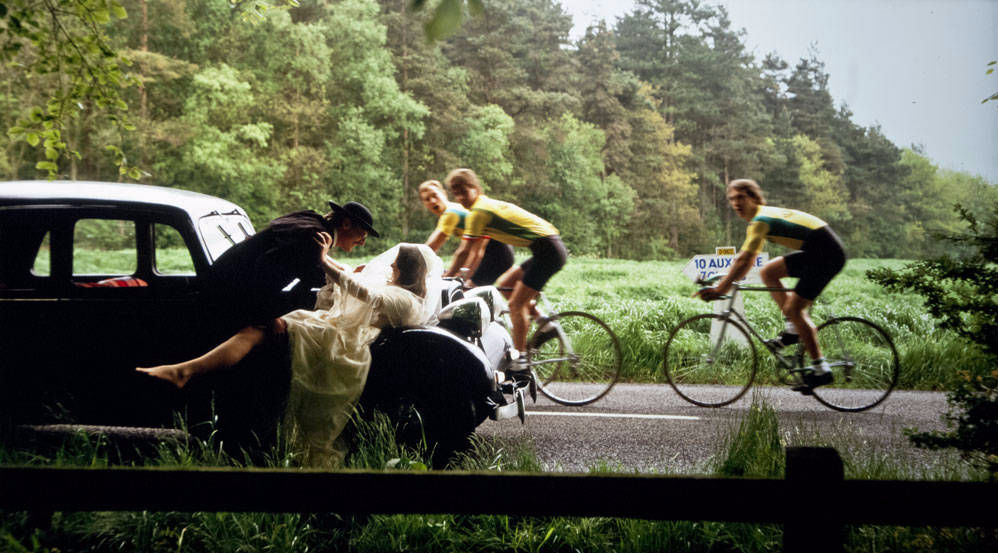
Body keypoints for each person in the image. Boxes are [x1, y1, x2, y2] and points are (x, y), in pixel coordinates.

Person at [138, 237, 443, 467]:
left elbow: (362, 290)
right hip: (338, 332)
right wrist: (333, 262)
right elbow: (355, 279)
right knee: (263, 329)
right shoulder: (402, 293)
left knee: (259, 330)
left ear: (406, 271)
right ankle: (190, 373)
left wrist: (323, 259)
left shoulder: (406, 301)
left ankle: (186, 371)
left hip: (345, 344)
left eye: (396, 265)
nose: (390, 267)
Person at [696, 179, 847, 389]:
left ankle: (820, 369)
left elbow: (744, 260)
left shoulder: (760, 220)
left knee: (795, 309)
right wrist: (722, 280)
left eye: (741, 197)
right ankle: (793, 329)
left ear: (754, 198)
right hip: (817, 250)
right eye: (732, 199)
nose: (736, 203)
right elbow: (745, 263)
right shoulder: (761, 217)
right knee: (768, 271)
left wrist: (721, 288)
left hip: (826, 255)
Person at [443, 168, 567, 370]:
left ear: (475, 187)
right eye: (455, 193)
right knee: (506, 285)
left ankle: (520, 361)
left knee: (517, 305)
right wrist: (461, 274)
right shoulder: (485, 205)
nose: (460, 197)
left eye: (463, 191)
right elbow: (475, 252)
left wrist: (448, 277)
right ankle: (545, 323)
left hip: (548, 250)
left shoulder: (478, 212)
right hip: (546, 247)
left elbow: (464, 252)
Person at [208, 200, 379, 322]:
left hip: (224, 277)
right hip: (227, 293)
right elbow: (264, 275)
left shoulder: (314, 224)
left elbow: (318, 262)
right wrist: (269, 319)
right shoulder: (315, 239)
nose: (363, 242)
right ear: (346, 224)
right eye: (362, 235)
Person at [418, 179, 515, 286]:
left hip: (497, 253)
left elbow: (430, 247)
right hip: (497, 251)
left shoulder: (451, 213)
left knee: (468, 289)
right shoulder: (452, 210)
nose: (432, 201)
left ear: (444, 194)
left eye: (435, 195)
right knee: (466, 286)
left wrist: (409, 263)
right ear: (424, 204)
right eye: (427, 199)